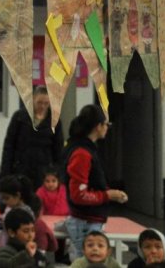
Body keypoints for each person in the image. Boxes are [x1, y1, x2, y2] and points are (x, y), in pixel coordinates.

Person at [63, 104, 128, 260]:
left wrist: (112, 194)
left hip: (87, 220)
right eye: (106, 124)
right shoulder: (82, 153)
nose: (107, 127)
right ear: (98, 126)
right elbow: (78, 195)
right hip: (85, 222)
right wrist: (108, 196)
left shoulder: (85, 148)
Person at [1, 86, 64, 188]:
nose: (42, 106)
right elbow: (9, 145)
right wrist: (6, 173)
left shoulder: (55, 120)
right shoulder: (19, 117)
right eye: (39, 102)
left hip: (44, 170)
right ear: (33, 99)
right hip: (21, 167)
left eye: (46, 103)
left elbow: (58, 148)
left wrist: (58, 173)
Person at [0, 174, 36, 253]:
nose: (4, 201)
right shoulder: (9, 207)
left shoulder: (26, 212)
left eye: (6, 198)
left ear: (18, 195)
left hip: (19, 248)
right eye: (2, 198)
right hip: (6, 244)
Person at [28, 196, 57, 263]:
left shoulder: (39, 225)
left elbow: (42, 250)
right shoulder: (40, 224)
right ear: (41, 210)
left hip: (42, 259)